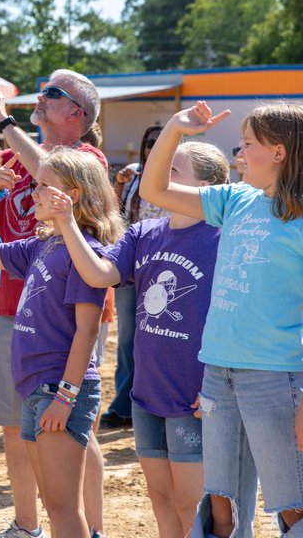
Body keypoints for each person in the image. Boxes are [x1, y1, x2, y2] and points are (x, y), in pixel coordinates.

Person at [141, 102, 303, 538]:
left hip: (276, 381)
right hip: (218, 376)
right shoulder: (235, 200)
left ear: (278, 151)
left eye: (248, 144)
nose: (238, 153)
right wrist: (177, 129)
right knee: (222, 511)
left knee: (295, 509)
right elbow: (153, 189)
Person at [0, 70, 112, 538]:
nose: (40, 98)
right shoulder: (12, 155)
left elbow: (57, 176)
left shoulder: (86, 157)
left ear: (76, 113)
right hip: (12, 305)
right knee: (17, 427)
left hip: (66, 315)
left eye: (53, 94)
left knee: (73, 431)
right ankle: (26, 525)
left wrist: (5, 123)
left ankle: (91, 528)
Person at [63, 142, 229, 537]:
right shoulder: (144, 233)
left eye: (173, 169)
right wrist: (67, 221)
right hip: (147, 391)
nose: (158, 178)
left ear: (205, 187)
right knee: (160, 497)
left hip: (195, 395)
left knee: (194, 504)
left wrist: (217, 385)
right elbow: (99, 275)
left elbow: (239, 319)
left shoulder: (224, 239)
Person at [0, 149, 124, 538]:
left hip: (58, 388)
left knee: (61, 509)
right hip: (38, 388)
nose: (33, 193)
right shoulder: (44, 245)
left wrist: (66, 396)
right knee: (55, 508)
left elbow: (87, 331)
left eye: (42, 186)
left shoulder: (83, 252)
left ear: (70, 196)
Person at [101, 124, 169, 431]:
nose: (153, 147)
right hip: (132, 263)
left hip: (163, 267)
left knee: (153, 336)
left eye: (160, 142)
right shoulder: (131, 174)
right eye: (150, 141)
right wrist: (117, 184)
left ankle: (136, 403)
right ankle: (122, 402)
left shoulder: (174, 177)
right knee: (128, 337)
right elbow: (116, 215)